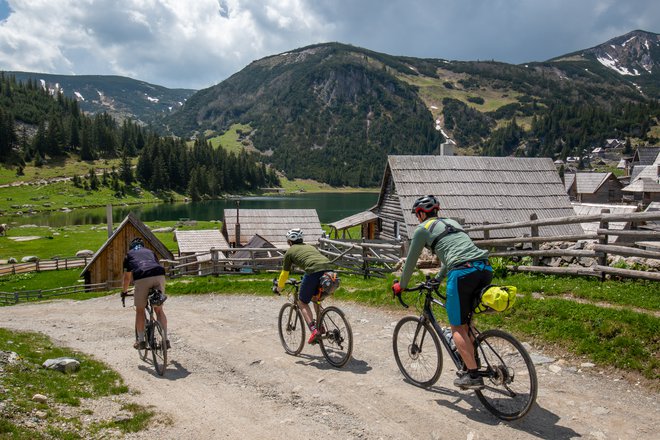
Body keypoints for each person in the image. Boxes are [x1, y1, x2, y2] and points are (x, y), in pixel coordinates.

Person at [392, 195, 492, 390]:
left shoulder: (423, 229)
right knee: (467, 323)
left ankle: (472, 375)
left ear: (421, 213)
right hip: (485, 268)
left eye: (417, 215)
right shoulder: (452, 223)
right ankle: (471, 361)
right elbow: (450, 257)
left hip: (462, 272)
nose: (417, 219)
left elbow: (411, 261)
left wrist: (401, 285)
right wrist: (438, 279)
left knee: (457, 328)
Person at [275, 228, 334, 344]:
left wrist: (279, 287)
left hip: (313, 271)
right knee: (315, 298)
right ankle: (320, 326)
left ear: (289, 242)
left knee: (302, 302)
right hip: (330, 271)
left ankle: (314, 331)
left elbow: (284, 274)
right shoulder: (310, 247)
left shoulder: (290, 252)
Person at [122, 237, 169, 350]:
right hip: (159, 275)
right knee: (159, 309)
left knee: (140, 310)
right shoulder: (150, 252)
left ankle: (141, 341)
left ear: (131, 247)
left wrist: (124, 292)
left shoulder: (129, 255)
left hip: (142, 277)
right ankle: (165, 340)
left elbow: (127, 278)